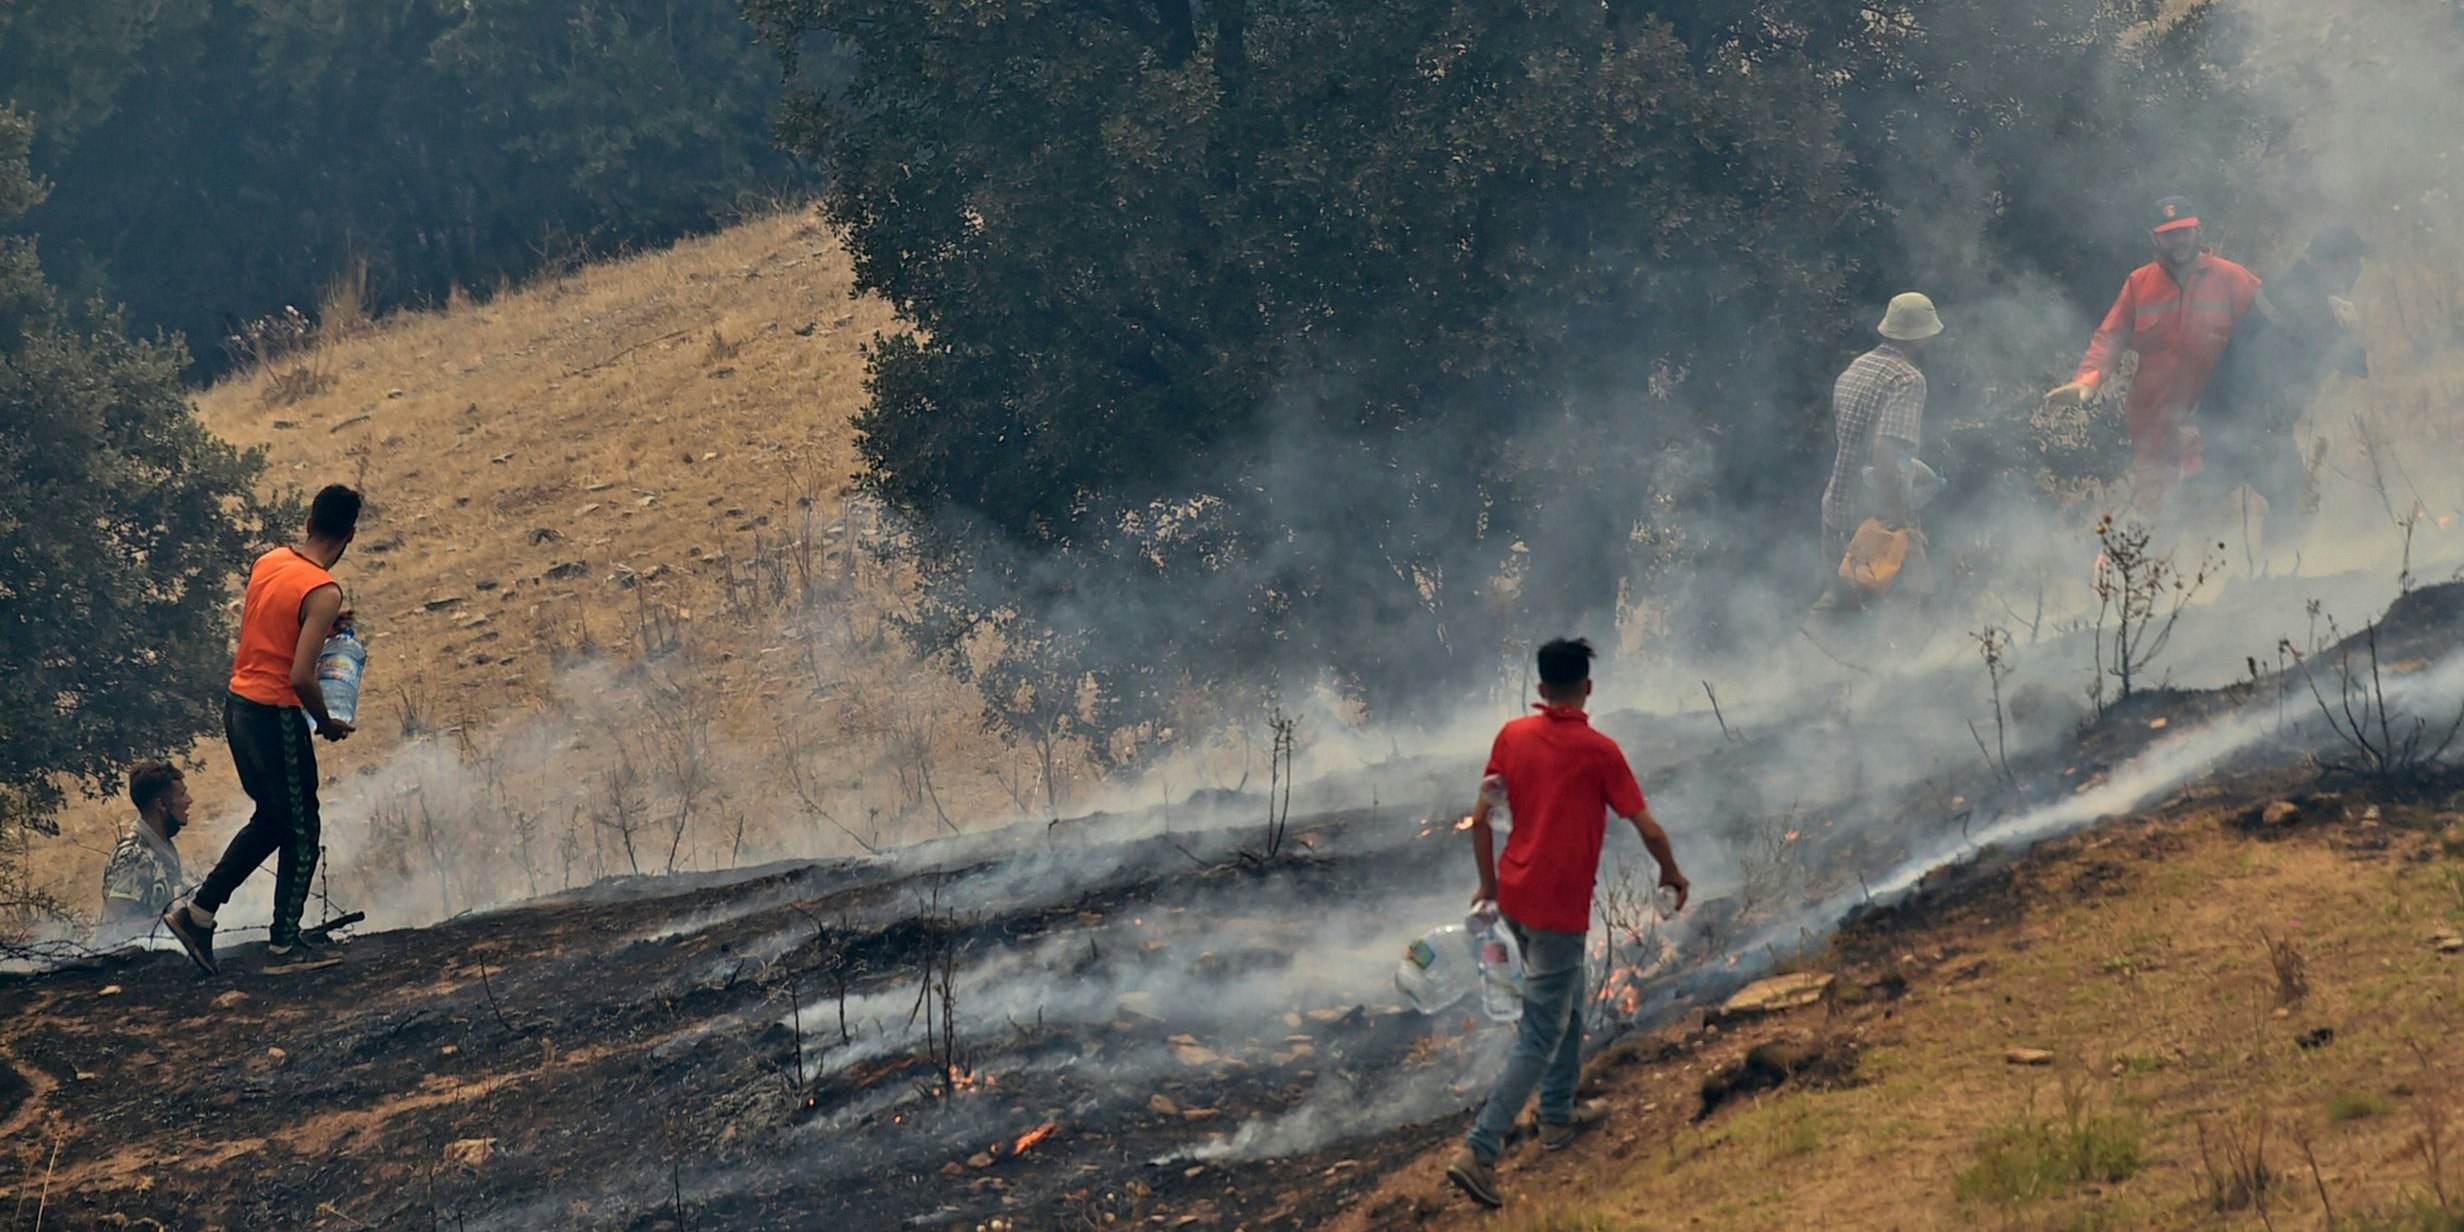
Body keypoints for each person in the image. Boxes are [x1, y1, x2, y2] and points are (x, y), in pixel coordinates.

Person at [1446, 638, 1688, 1209]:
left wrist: (1488, 885)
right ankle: (1479, 1150)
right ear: (1588, 688)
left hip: (1516, 900)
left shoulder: (1512, 736)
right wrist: (1672, 873)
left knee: (1570, 1000)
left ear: (1540, 689)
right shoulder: (1599, 750)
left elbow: (1481, 820)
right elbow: (1647, 827)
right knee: (1540, 1030)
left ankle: (1557, 1114)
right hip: (1558, 910)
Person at [164, 484, 361, 977]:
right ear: (350, 535)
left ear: (310, 523)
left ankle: (198, 915)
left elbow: (277, 625)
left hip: (239, 708)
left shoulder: (270, 560)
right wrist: (327, 721)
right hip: (275, 716)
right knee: (301, 825)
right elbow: (299, 676)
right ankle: (284, 945)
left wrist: (323, 623)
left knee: (273, 819)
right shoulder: (324, 590)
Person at [2047, 196, 2262, 515]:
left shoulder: (2232, 278)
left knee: (2205, 501)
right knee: (2153, 506)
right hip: (2152, 418)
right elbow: (2110, 337)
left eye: (2184, 231)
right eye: (2168, 234)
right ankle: (2155, 561)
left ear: (2198, 231)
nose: (2178, 240)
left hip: (2212, 417)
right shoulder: (2139, 283)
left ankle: (2210, 561)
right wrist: (2087, 381)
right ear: (2153, 237)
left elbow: (2268, 336)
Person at [2202, 225, 2371, 559]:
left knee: (2258, 486)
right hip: (2244, 416)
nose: (2357, 271)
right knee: (2285, 490)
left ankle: (2144, 540)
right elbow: (2353, 362)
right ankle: (2274, 572)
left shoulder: (2299, 289)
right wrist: (2348, 331)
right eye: (2352, 262)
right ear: (2332, 263)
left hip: (2244, 414)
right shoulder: (2300, 295)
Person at [1819, 292, 1943, 601]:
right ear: (1921, 336)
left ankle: (1799, 649)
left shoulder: (1856, 367)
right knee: (1906, 607)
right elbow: (1885, 448)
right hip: (1877, 520)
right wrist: (1897, 512)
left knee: (1840, 609)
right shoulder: (1908, 380)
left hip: (1836, 507)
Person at [96, 762, 191, 947]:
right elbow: (117, 926)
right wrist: (177, 924)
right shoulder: (134, 855)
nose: (189, 800)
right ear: (161, 804)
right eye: (181, 794)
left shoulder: (161, 846)